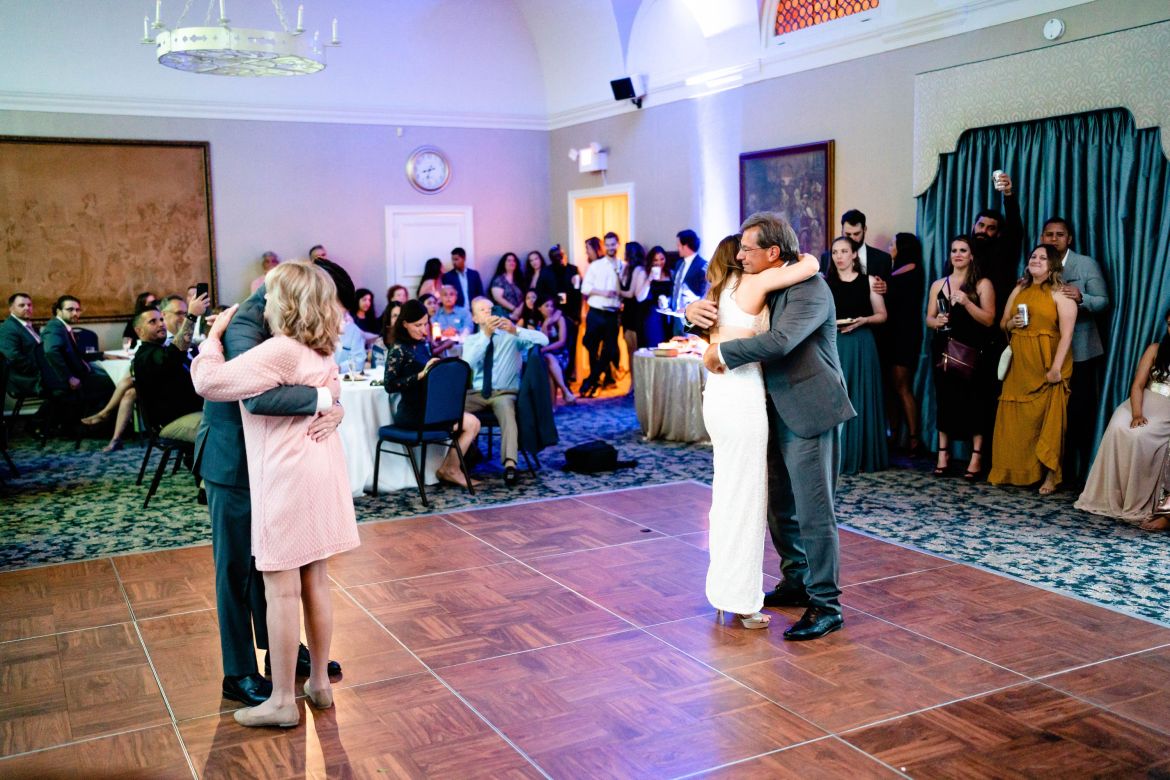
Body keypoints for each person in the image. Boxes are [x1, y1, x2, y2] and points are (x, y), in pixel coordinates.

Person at [191, 261, 359, 729]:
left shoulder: (292, 325)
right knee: (235, 568)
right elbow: (257, 396)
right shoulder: (245, 320)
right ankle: (240, 669)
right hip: (234, 459)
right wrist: (325, 399)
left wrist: (335, 404)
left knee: (280, 573)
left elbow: (318, 378)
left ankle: (282, 657)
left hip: (279, 460)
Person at [690, 213, 854, 641]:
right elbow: (728, 314)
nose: (740, 255)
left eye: (748, 249)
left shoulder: (811, 288)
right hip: (767, 410)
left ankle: (827, 605)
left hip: (808, 409)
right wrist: (693, 314)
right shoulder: (761, 281)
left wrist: (723, 354)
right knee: (779, 507)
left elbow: (781, 341)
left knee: (814, 511)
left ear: (773, 252)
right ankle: (796, 579)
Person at [989, 243, 1076, 494]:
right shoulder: (1020, 288)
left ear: (1053, 265)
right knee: (1016, 419)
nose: (1036, 260)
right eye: (1033, 256)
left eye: (1043, 257)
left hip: (1048, 362)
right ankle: (1012, 471)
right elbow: (1003, 323)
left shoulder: (1061, 293)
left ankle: (1050, 475)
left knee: (1050, 420)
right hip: (1020, 363)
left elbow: (1067, 334)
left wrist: (1056, 368)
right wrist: (1012, 323)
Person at [1076, 306, 1170, 528]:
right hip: (1145, 400)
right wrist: (1137, 413)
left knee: (1141, 436)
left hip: (1166, 408)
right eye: (1169, 324)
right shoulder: (1155, 349)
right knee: (1119, 425)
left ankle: (1140, 502)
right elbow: (1138, 385)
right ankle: (1113, 497)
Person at [1040, 217, 1110, 486]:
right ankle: (1049, 469)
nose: (1053, 239)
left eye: (1059, 234)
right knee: (1048, 413)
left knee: (1078, 413)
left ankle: (1076, 475)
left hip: (1081, 350)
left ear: (1069, 239)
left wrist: (1082, 298)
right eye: (1049, 234)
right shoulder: (1036, 263)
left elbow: (1103, 301)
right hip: (1046, 350)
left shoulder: (1085, 263)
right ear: (1042, 237)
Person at [382, 299, 481, 489]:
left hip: (429, 409)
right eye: (417, 325)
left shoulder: (422, 345)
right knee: (471, 423)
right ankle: (450, 469)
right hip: (412, 413)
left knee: (473, 423)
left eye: (425, 324)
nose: (423, 329)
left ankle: (450, 468)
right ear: (405, 324)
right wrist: (421, 374)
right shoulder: (398, 349)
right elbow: (390, 385)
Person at [925, 235, 997, 479]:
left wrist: (966, 302)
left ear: (972, 255)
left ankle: (976, 458)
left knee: (975, 403)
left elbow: (989, 319)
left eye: (963, 250)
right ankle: (943, 455)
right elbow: (928, 318)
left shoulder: (982, 284)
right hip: (944, 349)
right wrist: (936, 321)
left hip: (973, 352)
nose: (957, 254)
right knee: (945, 401)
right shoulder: (939, 284)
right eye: (954, 250)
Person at [462, 297, 548, 486]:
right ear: (475, 318)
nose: (488, 312)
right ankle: (467, 453)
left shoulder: (511, 336)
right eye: (482, 310)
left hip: (504, 393)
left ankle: (510, 464)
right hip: (477, 393)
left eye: (491, 309)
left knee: (507, 412)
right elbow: (466, 364)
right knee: (450, 409)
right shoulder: (472, 340)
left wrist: (515, 329)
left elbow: (544, 340)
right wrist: (485, 336)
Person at [826, 237, 889, 474]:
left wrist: (864, 320)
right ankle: (837, 455)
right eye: (835, 252)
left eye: (844, 251)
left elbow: (882, 314)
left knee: (862, 395)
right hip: (836, 343)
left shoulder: (869, 281)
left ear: (854, 255)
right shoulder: (826, 283)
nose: (839, 256)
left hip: (862, 343)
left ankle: (862, 454)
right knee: (837, 396)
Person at [42, 296, 135, 451]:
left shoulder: (63, 327)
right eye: (70, 309)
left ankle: (110, 423)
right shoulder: (55, 327)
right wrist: (69, 377)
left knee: (118, 380)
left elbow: (76, 355)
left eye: (77, 310)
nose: (75, 313)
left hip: (82, 374)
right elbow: (51, 351)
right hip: (75, 381)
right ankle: (109, 426)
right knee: (118, 383)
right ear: (58, 311)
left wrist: (103, 355)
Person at [132, 308, 204, 442]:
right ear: (139, 331)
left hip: (191, 412)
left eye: (161, 319)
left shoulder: (160, 350)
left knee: (229, 418)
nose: (161, 324)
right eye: (152, 321)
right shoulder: (145, 356)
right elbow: (175, 354)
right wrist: (191, 317)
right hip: (171, 422)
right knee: (220, 429)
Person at [884, 233, 926, 455]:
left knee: (902, 386)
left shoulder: (910, 270)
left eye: (893, 244)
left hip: (904, 335)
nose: (889, 247)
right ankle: (894, 435)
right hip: (893, 334)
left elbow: (894, 293)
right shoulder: (901, 270)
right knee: (892, 388)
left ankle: (913, 438)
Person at [970, 172, 1024, 323]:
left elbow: (1014, 227)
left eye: (990, 228)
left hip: (997, 317)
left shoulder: (1003, 251)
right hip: (966, 317)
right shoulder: (963, 250)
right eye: (981, 225)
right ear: (974, 226)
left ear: (998, 233)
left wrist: (1008, 193)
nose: (984, 231)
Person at [578, 236, 621, 397]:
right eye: (608, 244)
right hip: (596, 312)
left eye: (613, 244)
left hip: (613, 314)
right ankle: (594, 383)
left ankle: (591, 380)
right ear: (604, 246)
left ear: (618, 245)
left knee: (609, 350)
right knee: (592, 348)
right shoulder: (595, 266)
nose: (610, 247)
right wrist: (604, 292)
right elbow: (585, 288)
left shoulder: (623, 265)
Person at [817, 210, 892, 286]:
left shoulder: (883, 259)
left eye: (856, 234)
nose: (852, 238)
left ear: (864, 229)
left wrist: (886, 288)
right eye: (848, 234)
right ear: (842, 231)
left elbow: (892, 290)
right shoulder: (827, 257)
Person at [0, 292, 49, 398]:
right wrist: (43, 369)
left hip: (41, 374)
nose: (27, 308)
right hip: (26, 380)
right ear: (11, 309)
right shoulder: (8, 328)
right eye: (22, 305)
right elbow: (13, 357)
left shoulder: (30, 326)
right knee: (68, 386)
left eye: (29, 305)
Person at [548, 244, 581, 381]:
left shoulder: (573, 270)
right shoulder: (547, 272)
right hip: (553, 314)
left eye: (562, 254)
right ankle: (558, 376)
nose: (560, 258)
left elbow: (579, 293)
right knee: (556, 345)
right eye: (557, 256)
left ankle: (569, 375)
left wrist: (577, 316)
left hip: (571, 315)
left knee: (571, 346)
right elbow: (543, 293)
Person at [537, 295, 575, 405]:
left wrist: (545, 349)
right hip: (546, 355)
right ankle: (564, 393)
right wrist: (546, 324)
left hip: (560, 354)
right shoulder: (538, 321)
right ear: (540, 308)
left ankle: (562, 394)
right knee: (549, 364)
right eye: (546, 306)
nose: (550, 308)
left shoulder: (560, 319)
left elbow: (562, 341)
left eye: (552, 306)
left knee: (549, 359)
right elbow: (544, 340)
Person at [670, 229, 708, 336]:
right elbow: (675, 286)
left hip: (692, 315)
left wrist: (690, 308)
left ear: (685, 246)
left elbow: (705, 293)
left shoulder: (703, 265)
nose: (677, 248)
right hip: (676, 314)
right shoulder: (679, 263)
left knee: (690, 342)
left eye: (679, 245)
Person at [617, 241, 650, 362]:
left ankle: (635, 374)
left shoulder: (638, 270)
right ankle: (631, 374)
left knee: (635, 349)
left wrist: (617, 292)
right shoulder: (627, 268)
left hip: (635, 311)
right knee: (629, 349)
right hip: (627, 311)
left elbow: (631, 293)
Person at [642, 245, 674, 347]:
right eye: (655, 260)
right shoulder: (645, 273)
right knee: (655, 343)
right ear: (651, 261)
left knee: (668, 343)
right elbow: (641, 296)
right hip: (653, 313)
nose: (659, 262)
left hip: (668, 312)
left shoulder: (671, 273)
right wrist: (650, 278)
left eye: (662, 259)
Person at [489, 252, 524, 320]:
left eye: (514, 260)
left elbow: (526, 297)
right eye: (509, 260)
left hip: (520, 315)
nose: (512, 262)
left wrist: (519, 310)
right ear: (503, 263)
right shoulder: (499, 280)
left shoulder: (520, 279)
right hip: (503, 315)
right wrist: (514, 309)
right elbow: (498, 298)